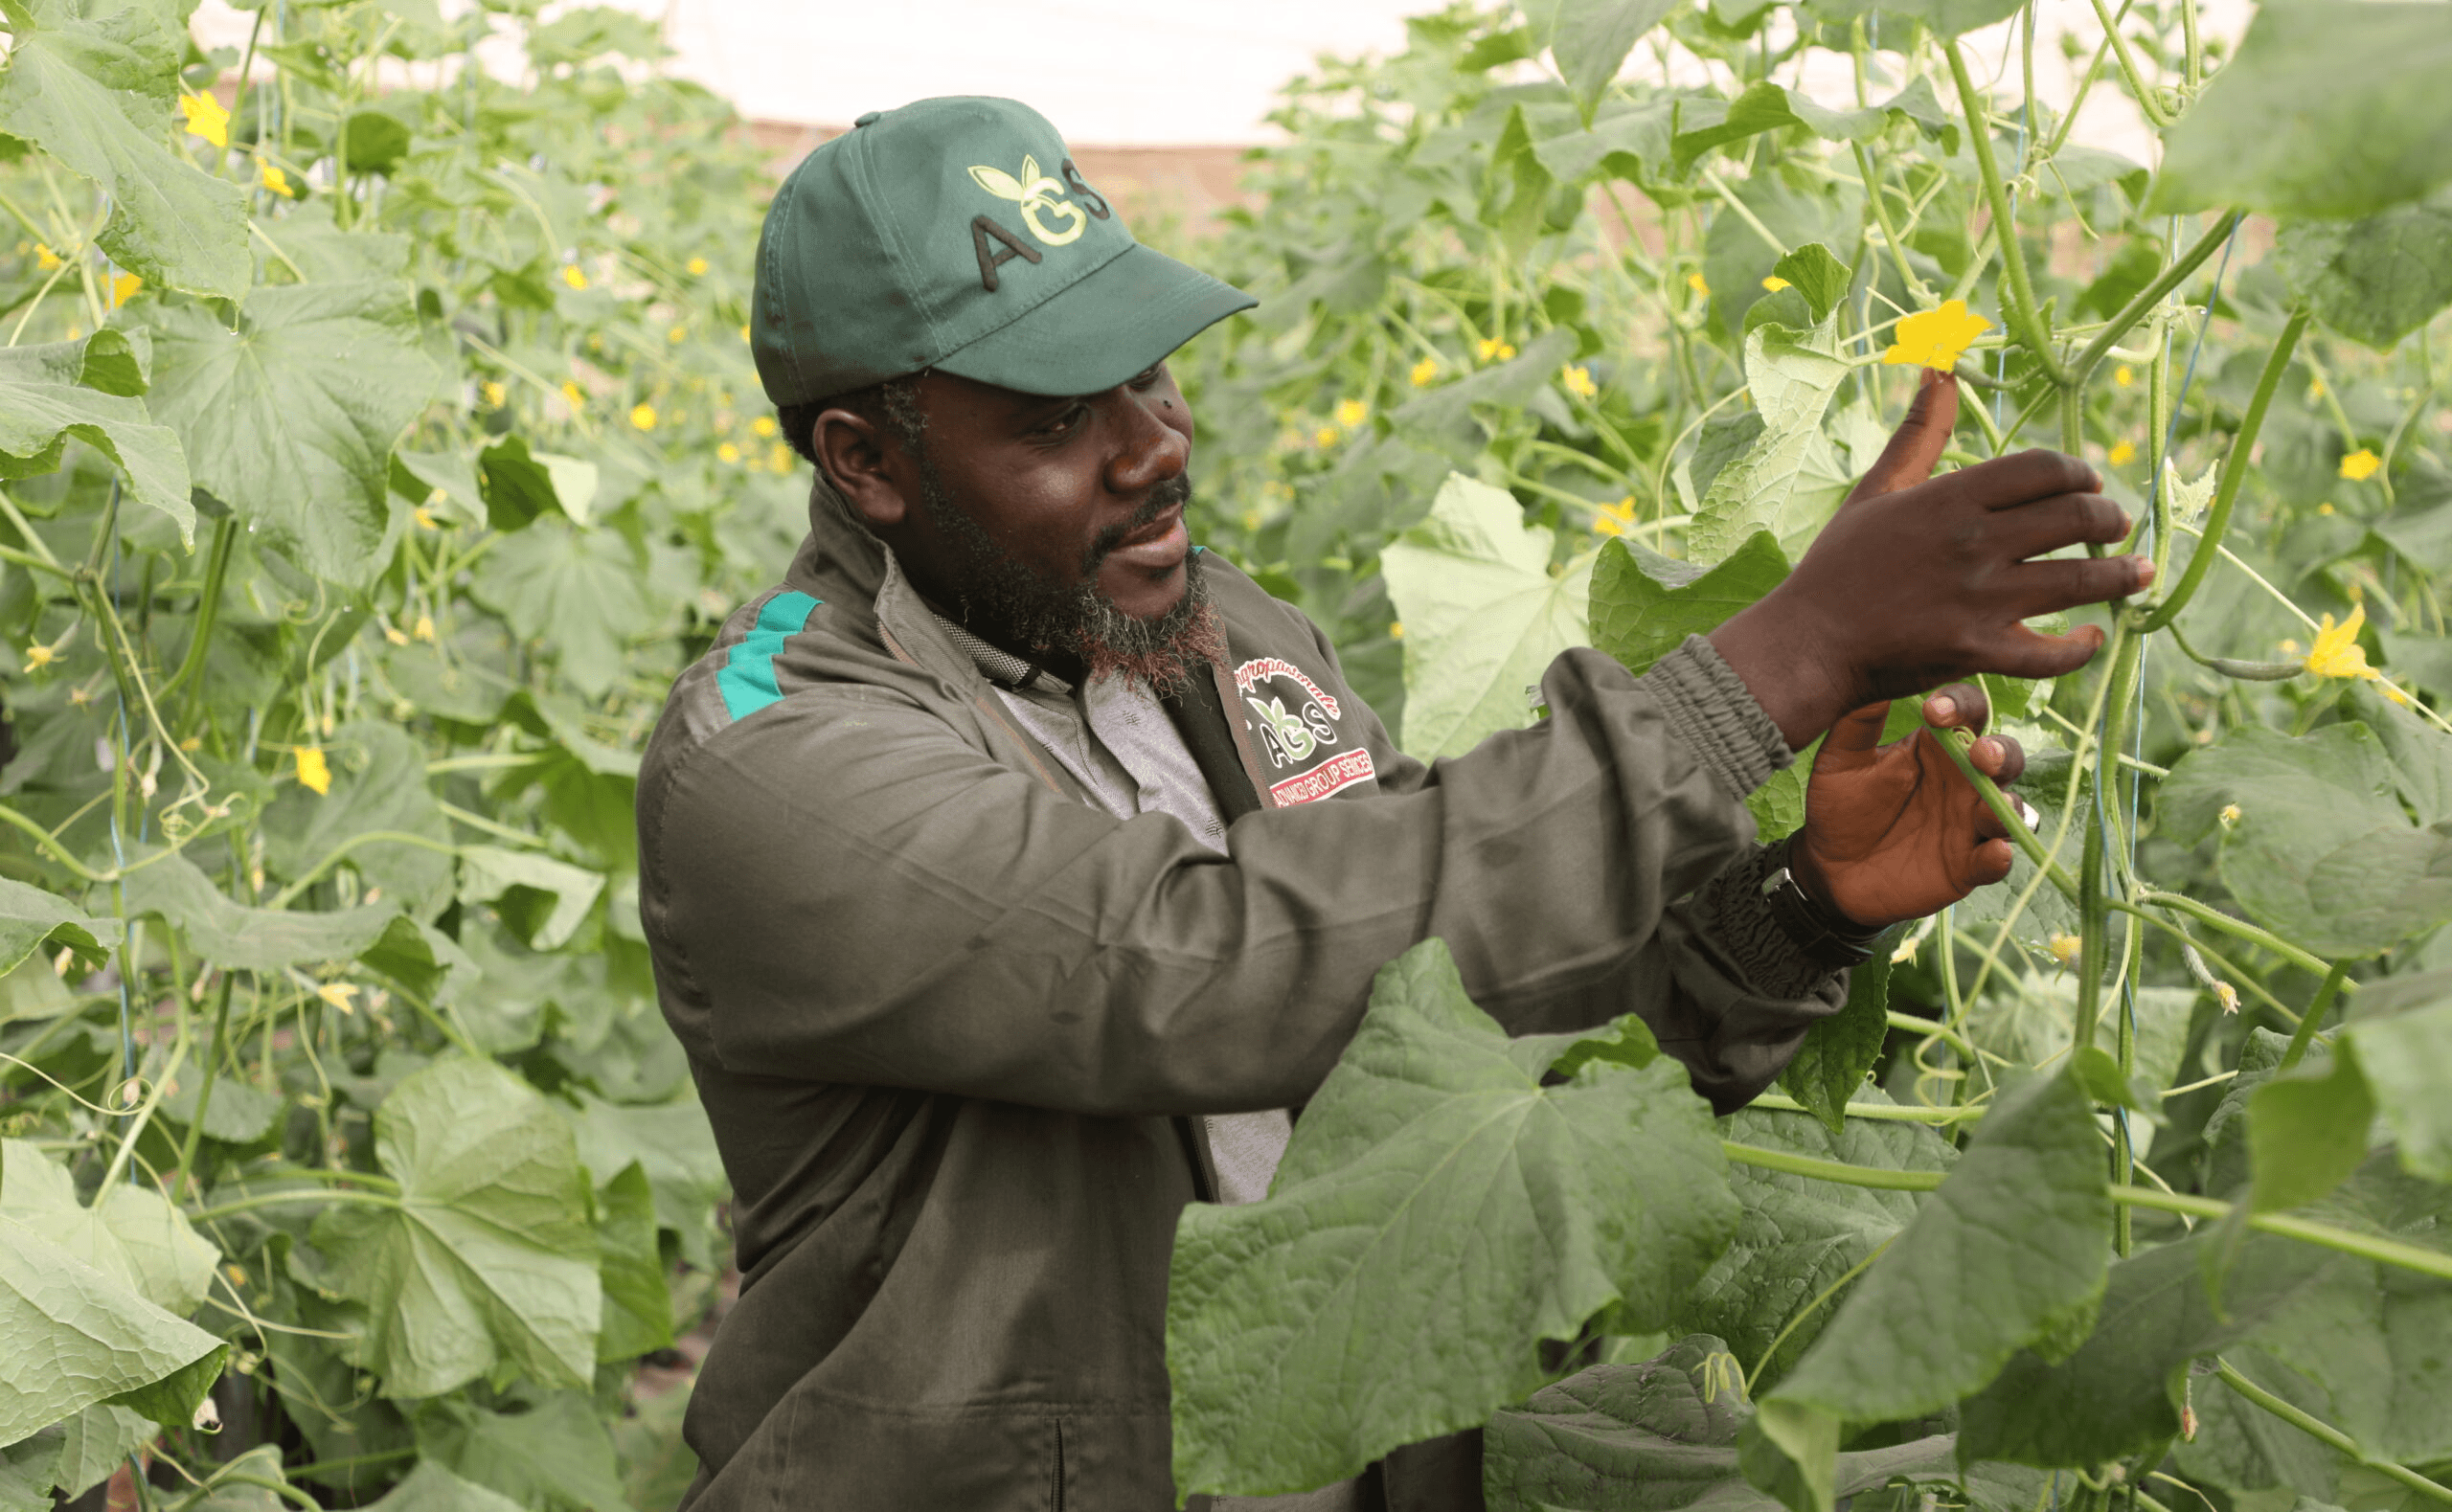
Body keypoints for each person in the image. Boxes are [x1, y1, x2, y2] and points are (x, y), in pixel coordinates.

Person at [636, 97, 2148, 1512]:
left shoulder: (1222, 634)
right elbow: (1190, 963)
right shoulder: (765, 751)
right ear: (867, 463)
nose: (1154, 447)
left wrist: (1791, 914)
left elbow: (1439, 1039)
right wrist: (1785, 657)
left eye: (1148, 373)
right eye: (1056, 419)